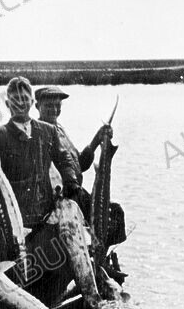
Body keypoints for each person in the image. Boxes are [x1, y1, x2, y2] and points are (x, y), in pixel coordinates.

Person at [0, 76, 81, 304]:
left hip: (45, 221)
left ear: (31, 102)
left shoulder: (48, 131)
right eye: (14, 100)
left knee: (53, 279)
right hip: (13, 226)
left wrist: (71, 183)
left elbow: (64, 159)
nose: (20, 103)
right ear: (7, 104)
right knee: (13, 285)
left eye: (24, 99)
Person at [35, 86, 127, 282]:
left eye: (57, 105)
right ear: (37, 106)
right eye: (48, 105)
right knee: (103, 219)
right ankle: (97, 264)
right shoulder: (39, 132)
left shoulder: (59, 129)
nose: (54, 109)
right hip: (61, 197)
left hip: (76, 190)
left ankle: (100, 259)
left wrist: (98, 138)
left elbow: (80, 164)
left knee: (116, 213)